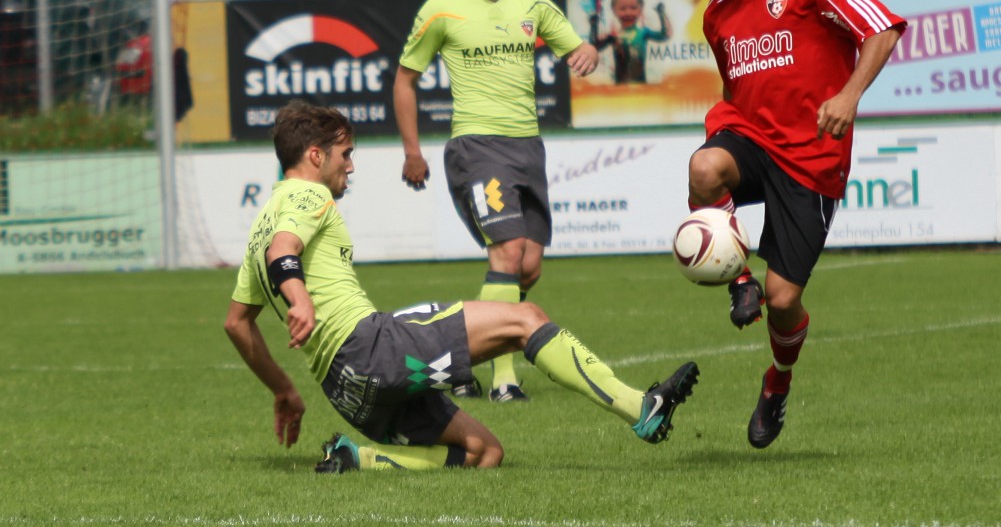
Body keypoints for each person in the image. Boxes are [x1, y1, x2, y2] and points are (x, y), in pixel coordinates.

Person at [224, 99, 699, 473]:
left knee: (484, 452)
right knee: (525, 319)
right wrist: (300, 299)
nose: (350, 166)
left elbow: (237, 323)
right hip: (371, 348)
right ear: (315, 155)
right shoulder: (307, 194)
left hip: (346, 391)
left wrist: (284, 391)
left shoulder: (259, 226)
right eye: (345, 154)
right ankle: (641, 408)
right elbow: (284, 250)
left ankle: (357, 458)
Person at [689, 0, 906, 449]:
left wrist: (849, 95)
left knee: (783, 301)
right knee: (705, 167)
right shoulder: (717, 12)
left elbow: (882, 28)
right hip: (751, 138)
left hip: (812, 157)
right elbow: (740, 89)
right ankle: (739, 282)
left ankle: (777, 382)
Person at [393, 0, 599, 402]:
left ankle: (456, 359)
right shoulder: (441, 10)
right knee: (507, 253)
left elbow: (578, 47)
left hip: (528, 148)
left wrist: (585, 52)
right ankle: (503, 380)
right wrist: (412, 151)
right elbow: (405, 79)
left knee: (528, 268)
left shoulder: (531, 3)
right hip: (476, 148)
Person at [589, 0, 672, 84]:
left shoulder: (643, 33)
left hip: (641, 87)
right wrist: (593, 26)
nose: (628, 13)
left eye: (633, 8)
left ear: (641, 8)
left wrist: (661, 13)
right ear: (613, 9)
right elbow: (594, 46)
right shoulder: (614, 36)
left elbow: (665, 35)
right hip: (621, 88)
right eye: (623, 9)